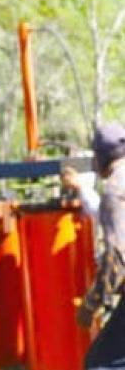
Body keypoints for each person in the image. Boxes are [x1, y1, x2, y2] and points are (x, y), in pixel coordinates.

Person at [75, 124, 125, 369]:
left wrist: (91, 303)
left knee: (101, 363)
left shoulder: (114, 193)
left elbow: (116, 257)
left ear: (101, 156)